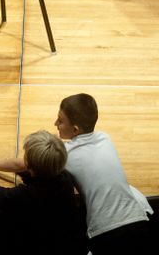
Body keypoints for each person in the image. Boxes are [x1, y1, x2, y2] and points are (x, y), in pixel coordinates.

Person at [0, 130, 88, 255]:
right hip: (72, 241)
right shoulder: (63, 176)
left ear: (29, 166)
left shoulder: (30, 194)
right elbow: (21, 165)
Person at [55, 93, 154, 254]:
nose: (55, 123)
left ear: (75, 129)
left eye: (60, 120)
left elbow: (29, 161)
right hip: (140, 220)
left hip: (106, 232)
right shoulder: (105, 138)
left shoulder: (66, 153)